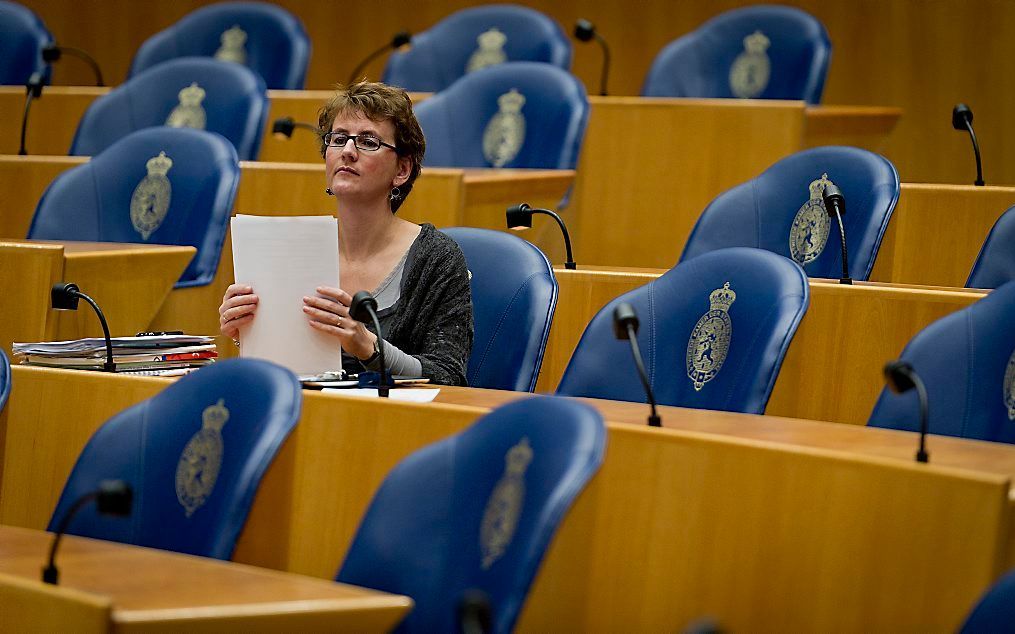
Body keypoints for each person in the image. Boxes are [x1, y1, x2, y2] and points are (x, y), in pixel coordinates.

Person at [218, 82, 473, 385]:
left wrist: (367, 346)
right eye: (338, 139)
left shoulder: (438, 259)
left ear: (401, 170)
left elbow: (449, 377)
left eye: (368, 141)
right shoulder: (291, 250)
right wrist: (248, 332)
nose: (348, 151)